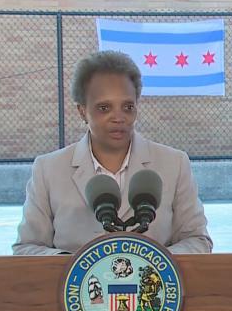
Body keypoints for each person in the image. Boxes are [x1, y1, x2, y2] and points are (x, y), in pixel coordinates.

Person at [14, 50, 212, 255]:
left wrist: (153, 262)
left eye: (127, 107)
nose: (118, 117)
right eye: (104, 108)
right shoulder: (48, 169)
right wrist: (78, 267)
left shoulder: (174, 163)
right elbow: (26, 248)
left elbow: (197, 240)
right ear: (82, 111)